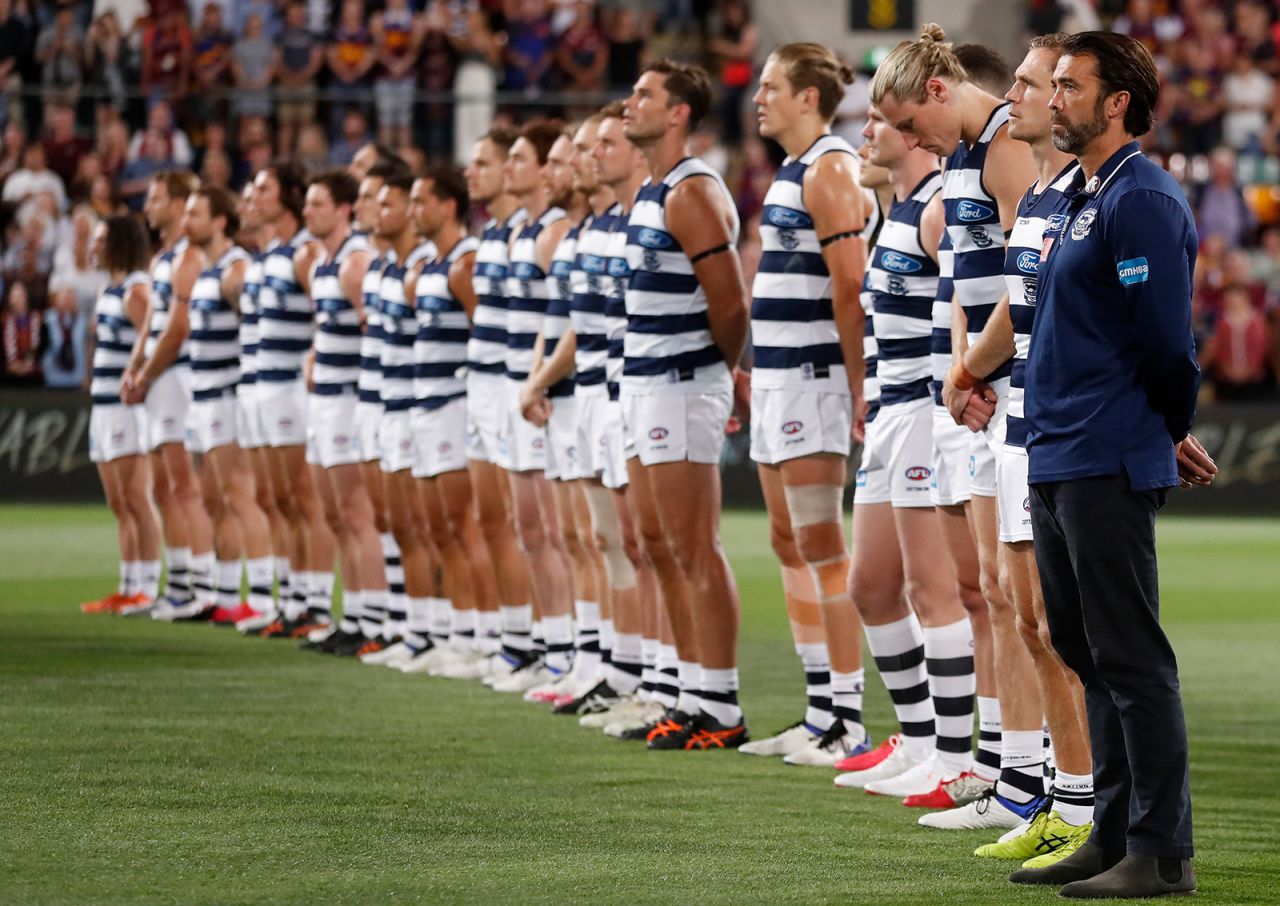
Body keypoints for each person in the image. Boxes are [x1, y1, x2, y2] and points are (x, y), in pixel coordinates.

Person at [1013, 31, 1213, 897]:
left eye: (1068, 85)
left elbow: (1167, 342)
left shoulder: (1143, 201)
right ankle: (1113, 831)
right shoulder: (1078, 198)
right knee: (1084, 649)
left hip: (1104, 455)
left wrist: (1163, 425)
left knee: (1130, 656)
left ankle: (1161, 851)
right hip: (1055, 451)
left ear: (1116, 102)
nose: (1054, 98)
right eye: (1051, 85)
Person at [871, 25, 1046, 817]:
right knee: (995, 594)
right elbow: (965, 285)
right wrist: (958, 368)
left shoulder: (1008, 143)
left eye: (911, 124)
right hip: (980, 389)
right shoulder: (962, 159)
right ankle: (1011, 780)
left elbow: (1031, 280)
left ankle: (1041, 782)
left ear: (939, 91)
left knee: (1024, 599)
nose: (910, 141)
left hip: (1015, 390)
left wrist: (976, 369)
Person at [936, 37, 1098, 867]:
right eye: (1036, 82)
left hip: (1059, 427)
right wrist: (969, 369)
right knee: (1028, 615)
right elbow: (1015, 308)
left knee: (1056, 624)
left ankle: (1080, 803)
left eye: (1041, 85)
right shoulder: (1036, 194)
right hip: (1016, 422)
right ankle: (1060, 799)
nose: (1028, 97)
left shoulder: (1081, 194)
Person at [738, 43, 874, 767]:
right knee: (788, 544)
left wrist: (857, 387)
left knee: (823, 547)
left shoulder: (830, 169)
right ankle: (819, 707)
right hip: (780, 379)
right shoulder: (792, 170)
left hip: (816, 380)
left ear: (809, 99)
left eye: (772, 87)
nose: (760, 98)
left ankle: (847, 719)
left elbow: (850, 289)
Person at [621, 60, 751, 750]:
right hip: (644, 382)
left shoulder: (692, 190)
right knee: (656, 545)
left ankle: (721, 705)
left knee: (693, 546)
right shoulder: (652, 189)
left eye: (643, 95)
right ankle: (685, 690)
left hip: (680, 381)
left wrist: (716, 375)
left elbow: (730, 304)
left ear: (678, 114)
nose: (628, 103)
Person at [397, 167, 493, 674]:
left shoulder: (464, 264)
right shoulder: (426, 270)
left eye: (421, 201)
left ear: (448, 206)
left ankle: (483, 635)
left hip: (455, 403)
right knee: (437, 528)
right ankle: (456, 632)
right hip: (426, 404)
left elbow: (487, 331)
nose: (414, 211)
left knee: (464, 527)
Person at [492, 120, 576, 695]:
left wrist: (538, 380)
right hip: (516, 382)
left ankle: (567, 650)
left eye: (523, 158)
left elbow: (561, 321)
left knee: (552, 528)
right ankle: (549, 645)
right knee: (529, 527)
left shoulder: (553, 232)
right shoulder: (522, 231)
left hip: (543, 389)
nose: (511, 168)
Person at [300, 169, 390, 656]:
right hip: (324, 399)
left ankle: (374, 618)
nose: (308, 212)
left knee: (356, 513)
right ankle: (353, 614)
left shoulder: (356, 263)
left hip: (348, 400)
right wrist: (315, 355)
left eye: (317, 205)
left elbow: (375, 331)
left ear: (342, 210)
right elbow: (328, 326)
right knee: (334, 513)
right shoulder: (319, 263)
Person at [180, 184, 277, 625]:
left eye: (195, 214)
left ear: (221, 221)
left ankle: (260, 597)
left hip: (224, 394)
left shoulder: (236, 266)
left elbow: (251, 311)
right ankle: (223, 591)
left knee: (240, 495)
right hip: (201, 396)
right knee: (212, 498)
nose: (187, 223)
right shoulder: (206, 270)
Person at [126, 171, 217, 622]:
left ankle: (202, 586)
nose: (149, 205)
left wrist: (145, 373)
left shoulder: (189, 258)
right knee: (165, 487)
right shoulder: (165, 257)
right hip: (159, 379)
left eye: (157, 198)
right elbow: (153, 323)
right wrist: (134, 366)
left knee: (184, 487)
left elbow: (177, 329)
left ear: (180, 204)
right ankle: (180, 582)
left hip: (177, 378)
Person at [463, 126, 537, 682]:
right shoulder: (493, 234)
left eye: (488, 162)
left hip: (515, 385)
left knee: (523, 521)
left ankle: (535, 641)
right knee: (491, 517)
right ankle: (508, 637)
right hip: (483, 383)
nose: (478, 172)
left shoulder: (526, 233)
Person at [254, 162, 335, 638]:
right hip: (267, 385)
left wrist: (314, 355)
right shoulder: (270, 254)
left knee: (304, 500)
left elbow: (324, 311)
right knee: (278, 499)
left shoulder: (304, 254)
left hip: (292, 385)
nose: (255, 199)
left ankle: (316, 604)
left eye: (264, 189)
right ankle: (292, 599)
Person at [82, 215, 161, 616]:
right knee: (119, 502)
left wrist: (138, 379)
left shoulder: (136, 290)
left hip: (127, 408)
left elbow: (153, 337)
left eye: (100, 240)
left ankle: (146, 587)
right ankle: (128, 584)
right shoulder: (108, 289)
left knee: (136, 498)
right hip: (104, 406)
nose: (93, 247)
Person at [42, 276, 88, 388]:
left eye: (71, 295)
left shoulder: (83, 321)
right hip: (52, 379)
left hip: (78, 380)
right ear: (56, 298)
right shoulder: (46, 320)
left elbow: (88, 348)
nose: (68, 298)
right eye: (64, 294)